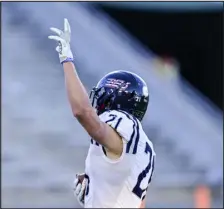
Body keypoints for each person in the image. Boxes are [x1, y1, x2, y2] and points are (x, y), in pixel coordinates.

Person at [48, 18, 156, 208]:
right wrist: (95, 194)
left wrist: (67, 59)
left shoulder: (122, 125)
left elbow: (82, 112)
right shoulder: (144, 145)